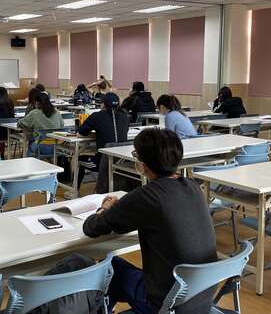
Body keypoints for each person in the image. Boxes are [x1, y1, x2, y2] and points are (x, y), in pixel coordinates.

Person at [83, 128, 217, 313]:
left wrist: (104, 208)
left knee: (109, 269)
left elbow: (92, 228)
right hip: (202, 296)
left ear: (144, 164)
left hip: (166, 305)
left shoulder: (146, 197)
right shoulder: (193, 186)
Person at [77, 93, 129, 188]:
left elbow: (81, 132)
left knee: (78, 159)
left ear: (103, 104)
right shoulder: (125, 117)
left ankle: (74, 191)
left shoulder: (97, 116)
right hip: (122, 163)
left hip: (102, 162)